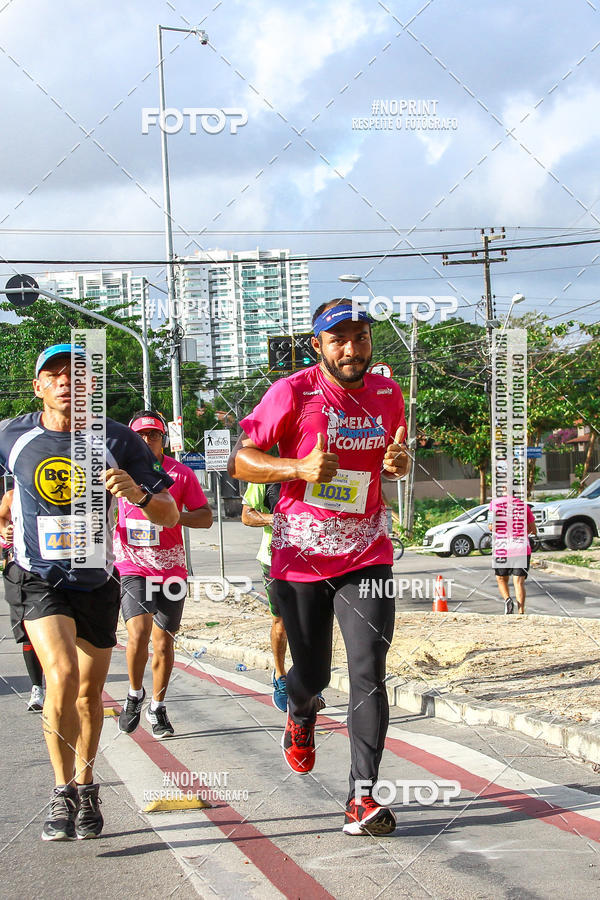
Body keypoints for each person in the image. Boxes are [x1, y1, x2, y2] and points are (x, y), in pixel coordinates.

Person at [229, 299, 409, 836]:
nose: (351, 349)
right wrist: (296, 467)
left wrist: (397, 465)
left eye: (360, 338)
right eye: (339, 340)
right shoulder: (293, 391)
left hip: (366, 550)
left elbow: (391, 460)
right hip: (300, 554)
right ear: (319, 346)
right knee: (313, 675)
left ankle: (362, 799)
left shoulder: (387, 393)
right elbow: (240, 460)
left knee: (369, 671)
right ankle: (301, 711)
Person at [0, 344, 178, 842]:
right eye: (53, 375)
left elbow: (170, 513)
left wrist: (139, 495)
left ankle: (86, 784)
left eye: (76, 376)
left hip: (96, 581)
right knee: (60, 673)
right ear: (38, 387)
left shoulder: (118, 439)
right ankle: (60, 792)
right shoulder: (12, 436)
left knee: (87, 693)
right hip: (36, 577)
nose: (65, 382)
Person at [115, 410, 212, 738]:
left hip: (171, 567)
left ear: (163, 439)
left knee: (163, 641)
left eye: (153, 435)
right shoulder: (115, 474)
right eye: (140, 435)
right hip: (132, 565)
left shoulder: (180, 474)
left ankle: (157, 706)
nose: (146, 441)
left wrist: (170, 517)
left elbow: (205, 517)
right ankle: (133, 694)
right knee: (138, 633)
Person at [241, 481, 327, 713]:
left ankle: (309, 679)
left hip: (313, 558)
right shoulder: (265, 472)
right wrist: (279, 518)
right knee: (282, 622)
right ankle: (280, 677)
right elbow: (247, 515)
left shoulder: (315, 468)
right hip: (275, 559)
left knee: (312, 623)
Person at [0, 488, 45, 711]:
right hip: (18, 571)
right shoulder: (12, 496)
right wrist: (4, 530)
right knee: (27, 630)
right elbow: (2, 517)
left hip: (53, 571)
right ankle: (37, 687)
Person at [489, 495, 537, 614]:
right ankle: (521, 611)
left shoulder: (494, 504)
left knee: (501, 579)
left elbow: (491, 526)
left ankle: (507, 599)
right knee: (519, 582)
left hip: (502, 548)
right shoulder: (524, 506)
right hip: (521, 548)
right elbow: (533, 530)